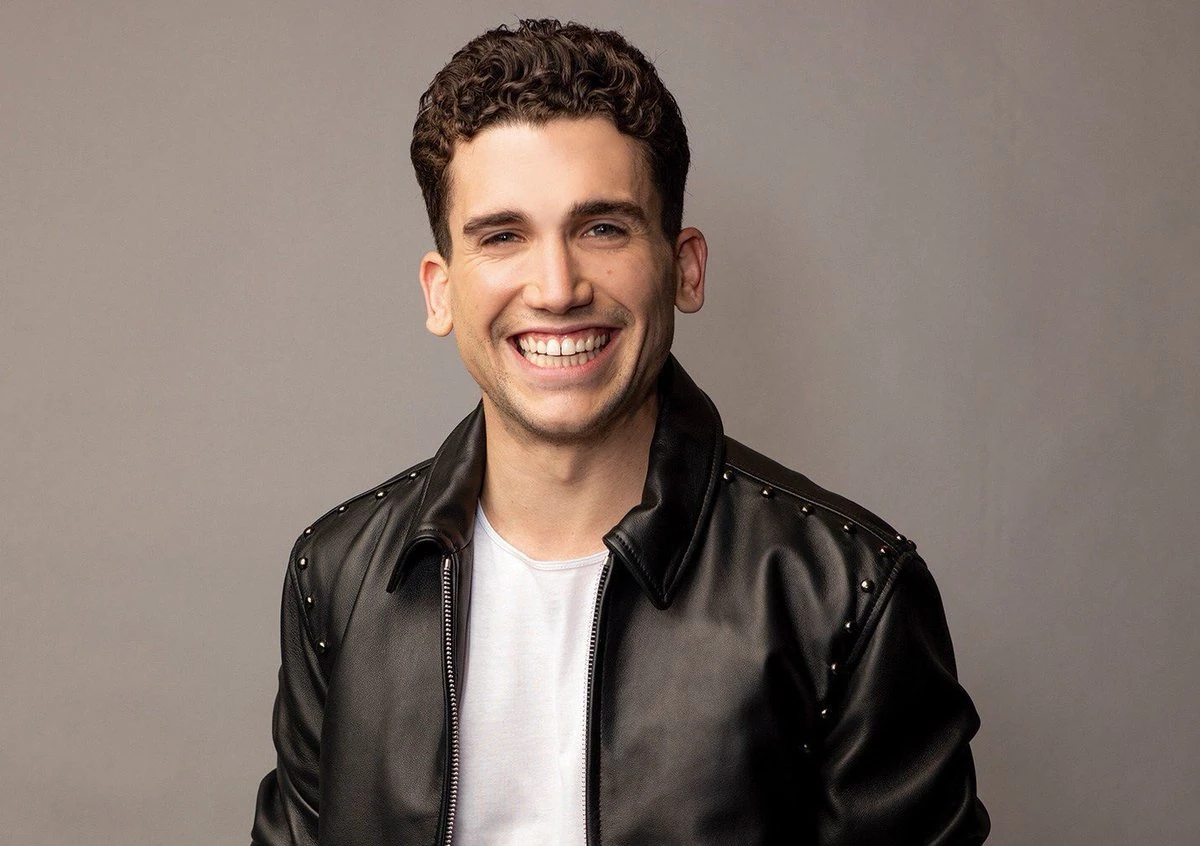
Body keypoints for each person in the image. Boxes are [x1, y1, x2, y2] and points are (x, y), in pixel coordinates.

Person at [252, 18, 989, 845]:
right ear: (440, 291)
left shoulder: (847, 594)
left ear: (685, 268)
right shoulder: (337, 576)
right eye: (503, 236)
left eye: (602, 228)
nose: (557, 287)